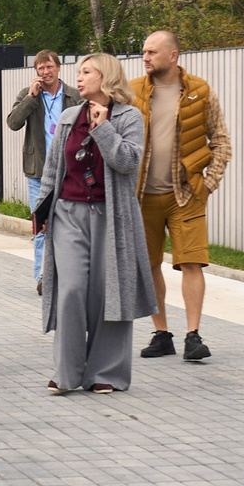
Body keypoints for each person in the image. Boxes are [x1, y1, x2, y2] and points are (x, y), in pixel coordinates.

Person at [41, 52, 158, 394]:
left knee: (110, 291)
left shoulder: (130, 117)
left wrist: (103, 127)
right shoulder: (67, 117)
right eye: (78, 72)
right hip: (68, 214)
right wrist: (41, 211)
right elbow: (53, 169)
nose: (79, 78)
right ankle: (67, 373)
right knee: (72, 289)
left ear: (105, 77)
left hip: (112, 215)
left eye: (86, 71)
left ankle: (105, 373)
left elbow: (127, 162)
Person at [129, 28, 233, 363]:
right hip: (142, 196)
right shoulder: (133, 92)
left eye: (151, 52)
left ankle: (193, 336)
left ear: (172, 56)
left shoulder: (200, 92)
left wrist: (207, 185)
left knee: (192, 262)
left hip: (185, 195)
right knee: (149, 265)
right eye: (144, 52)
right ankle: (162, 334)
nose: (145, 57)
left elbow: (221, 141)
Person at [4, 50, 68, 289]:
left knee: (66, 226)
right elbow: (12, 123)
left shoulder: (72, 96)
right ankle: (43, 276)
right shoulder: (28, 95)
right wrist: (31, 98)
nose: (45, 72)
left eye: (49, 67)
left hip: (67, 171)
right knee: (41, 225)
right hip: (38, 172)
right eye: (40, 69)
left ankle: (63, 273)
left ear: (58, 68)